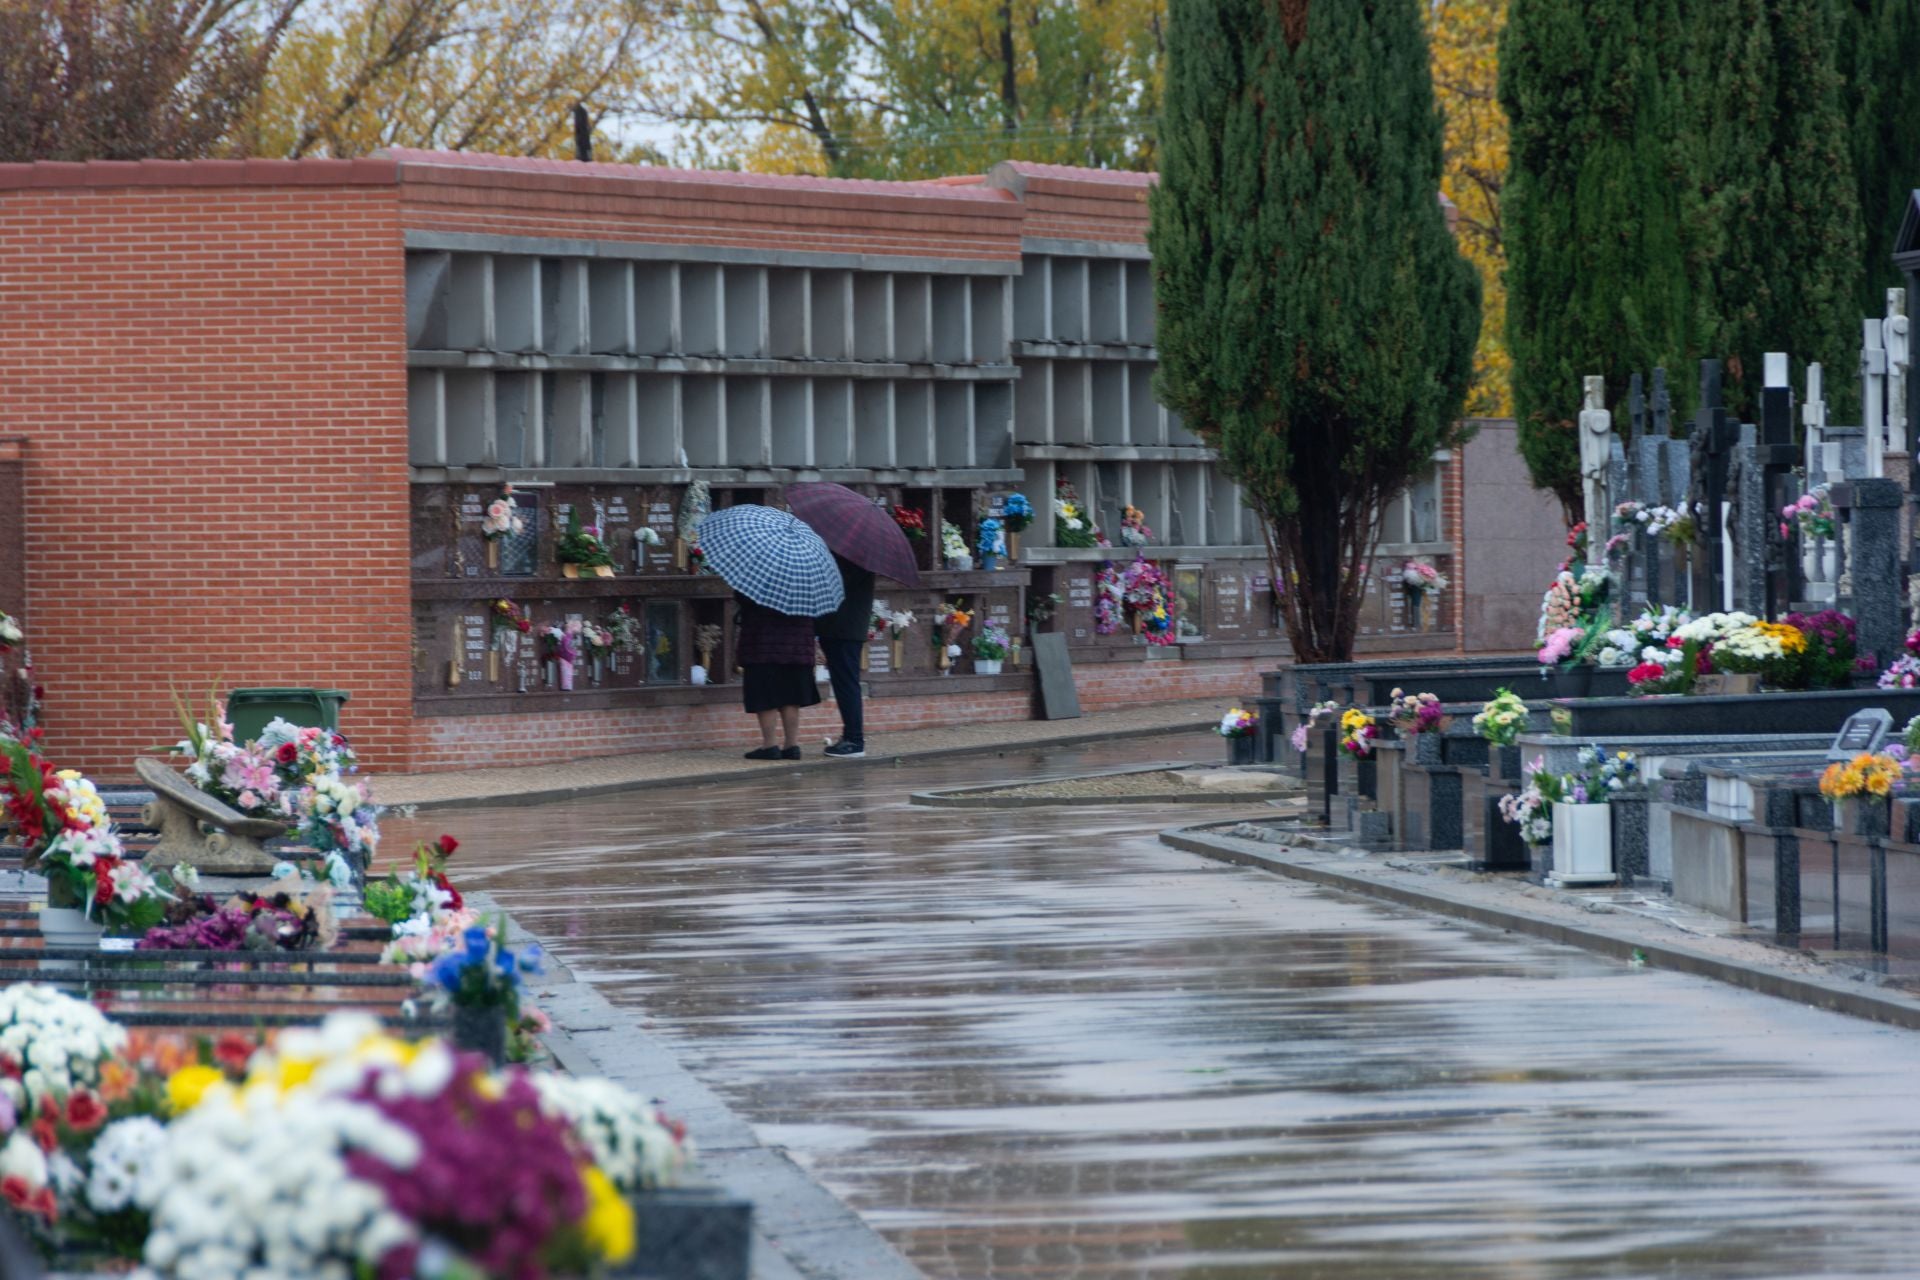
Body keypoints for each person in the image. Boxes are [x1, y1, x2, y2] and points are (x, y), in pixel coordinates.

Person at [735, 593, 821, 760]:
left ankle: (770, 745)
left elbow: (743, 599)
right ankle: (792, 745)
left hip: (763, 643)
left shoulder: (757, 577)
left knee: (766, 694)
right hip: (798, 645)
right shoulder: (803, 577)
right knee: (791, 697)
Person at [814, 553, 875, 759]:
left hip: (843, 630)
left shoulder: (855, 561)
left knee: (847, 684)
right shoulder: (859, 558)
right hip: (843, 630)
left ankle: (854, 740)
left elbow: (835, 585)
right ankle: (851, 737)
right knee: (844, 684)